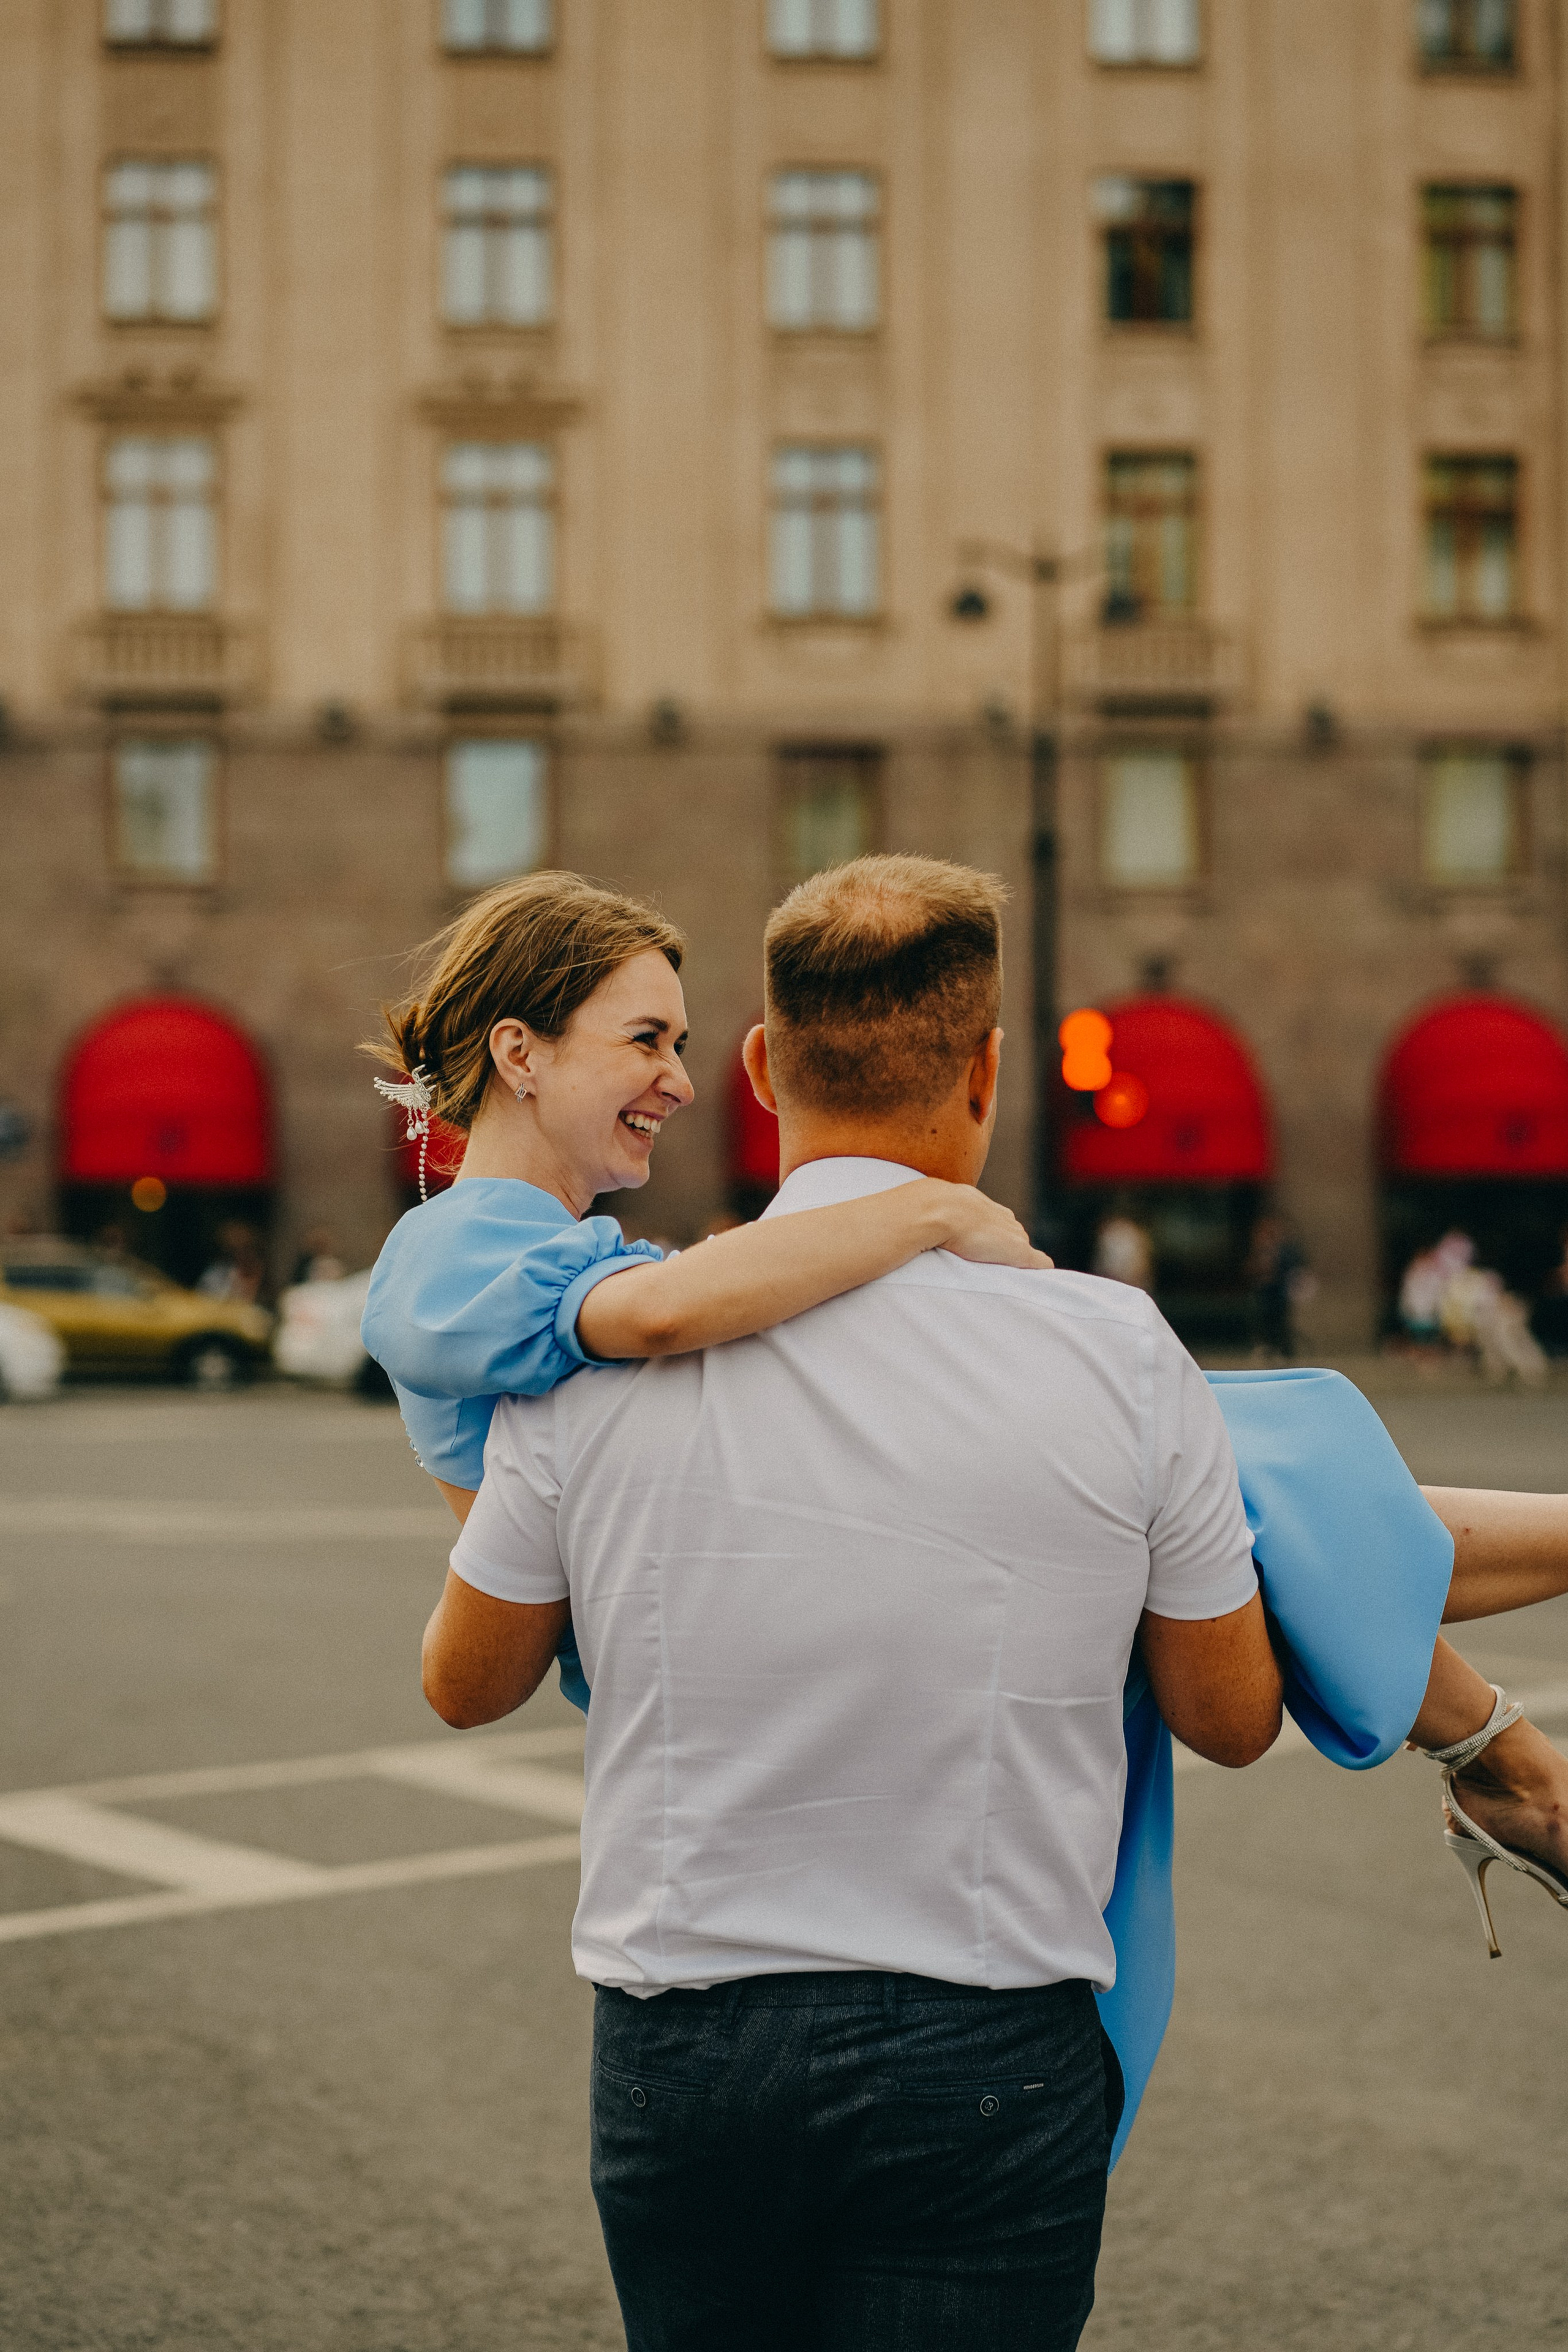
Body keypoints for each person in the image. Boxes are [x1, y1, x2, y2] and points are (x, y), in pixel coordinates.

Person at [407, 856, 1568, 2344]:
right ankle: (1495, 1756)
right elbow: (1225, 1721)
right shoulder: (1111, 1351)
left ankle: (1495, 1755)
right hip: (981, 2034)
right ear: (990, 1066)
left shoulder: (587, 1356)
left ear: (760, 1068)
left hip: (679, 2037)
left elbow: (469, 1678)